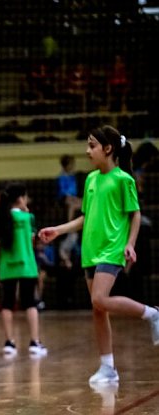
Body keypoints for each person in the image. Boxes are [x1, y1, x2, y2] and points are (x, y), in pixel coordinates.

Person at [39, 125, 159, 385]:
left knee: (100, 298)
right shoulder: (91, 179)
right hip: (90, 251)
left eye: (92, 145)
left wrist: (130, 244)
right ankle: (108, 368)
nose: (87, 151)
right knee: (97, 308)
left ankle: (152, 313)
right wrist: (57, 231)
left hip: (112, 248)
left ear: (108, 149)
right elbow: (85, 217)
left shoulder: (123, 180)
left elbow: (135, 214)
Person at [0, 183, 48, 357]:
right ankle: (34, 342)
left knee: (7, 304)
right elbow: (32, 243)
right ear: (21, 199)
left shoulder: (0, 218)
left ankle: (9, 343)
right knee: (30, 302)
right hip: (26, 266)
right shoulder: (28, 218)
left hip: (7, 267)